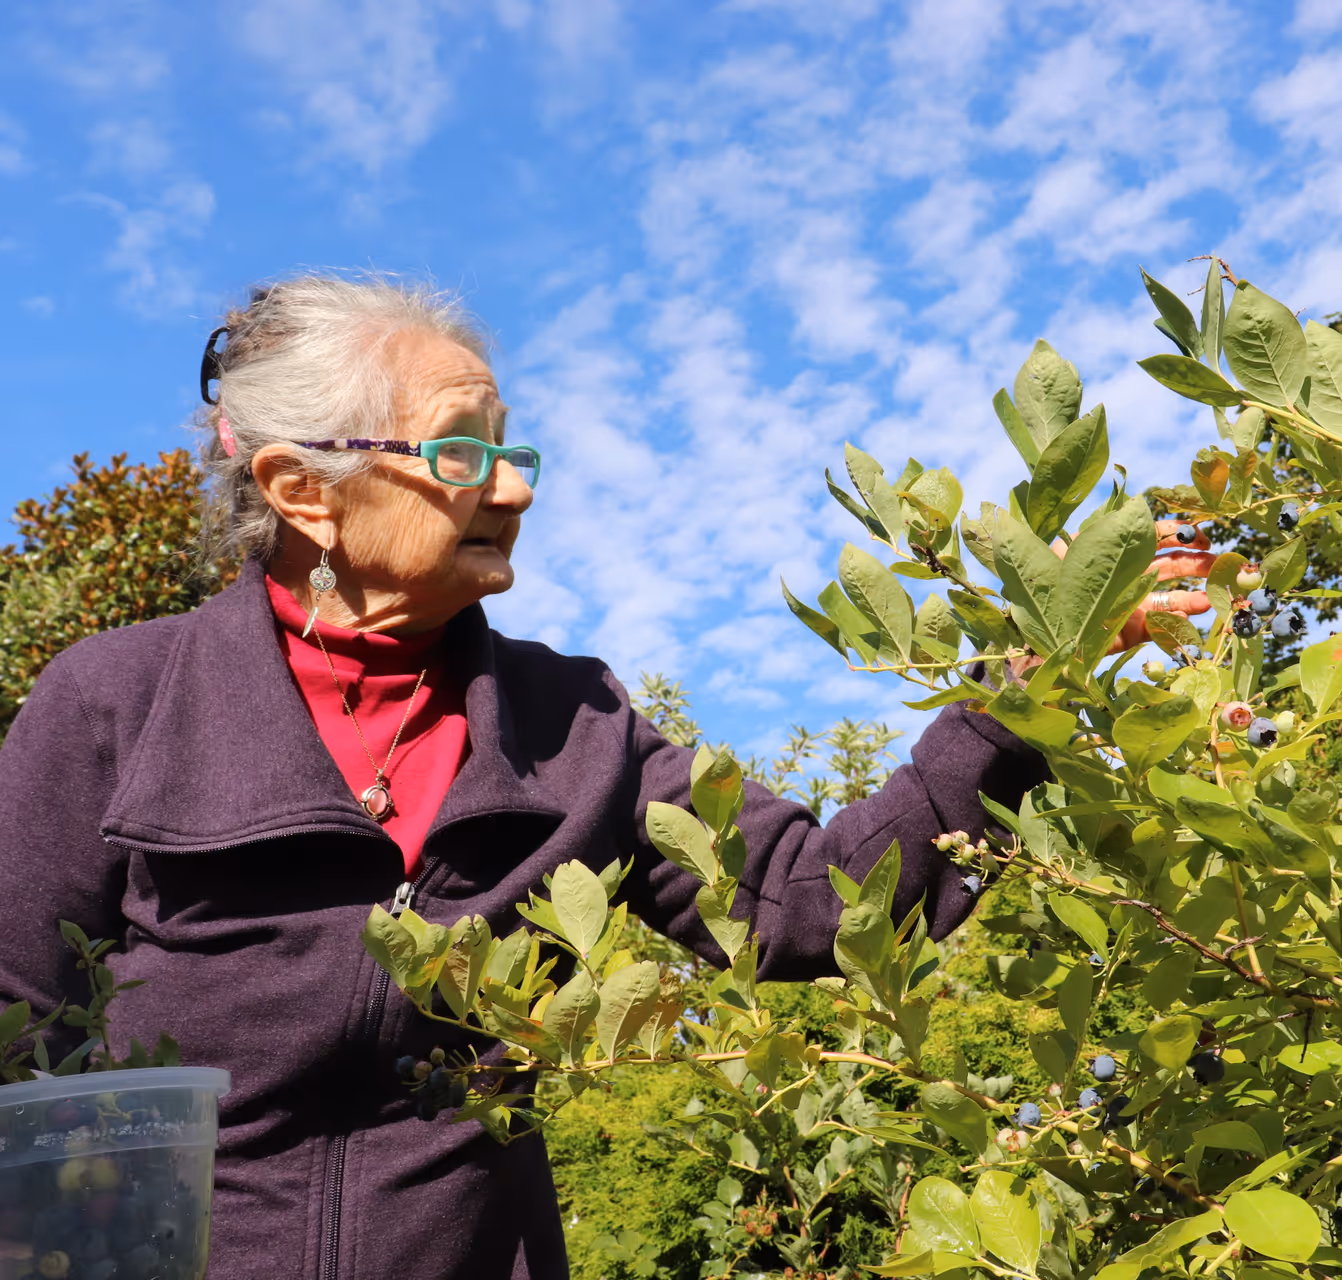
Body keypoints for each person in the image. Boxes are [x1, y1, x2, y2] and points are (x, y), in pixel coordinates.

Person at [0, 274, 1057, 1280]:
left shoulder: (577, 722)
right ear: (302, 489)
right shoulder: (117, 704)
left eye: (510, 453)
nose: (510, 486)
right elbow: (17, 1032)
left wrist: (1019, 699)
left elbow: (809, 904)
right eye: (460, 454)